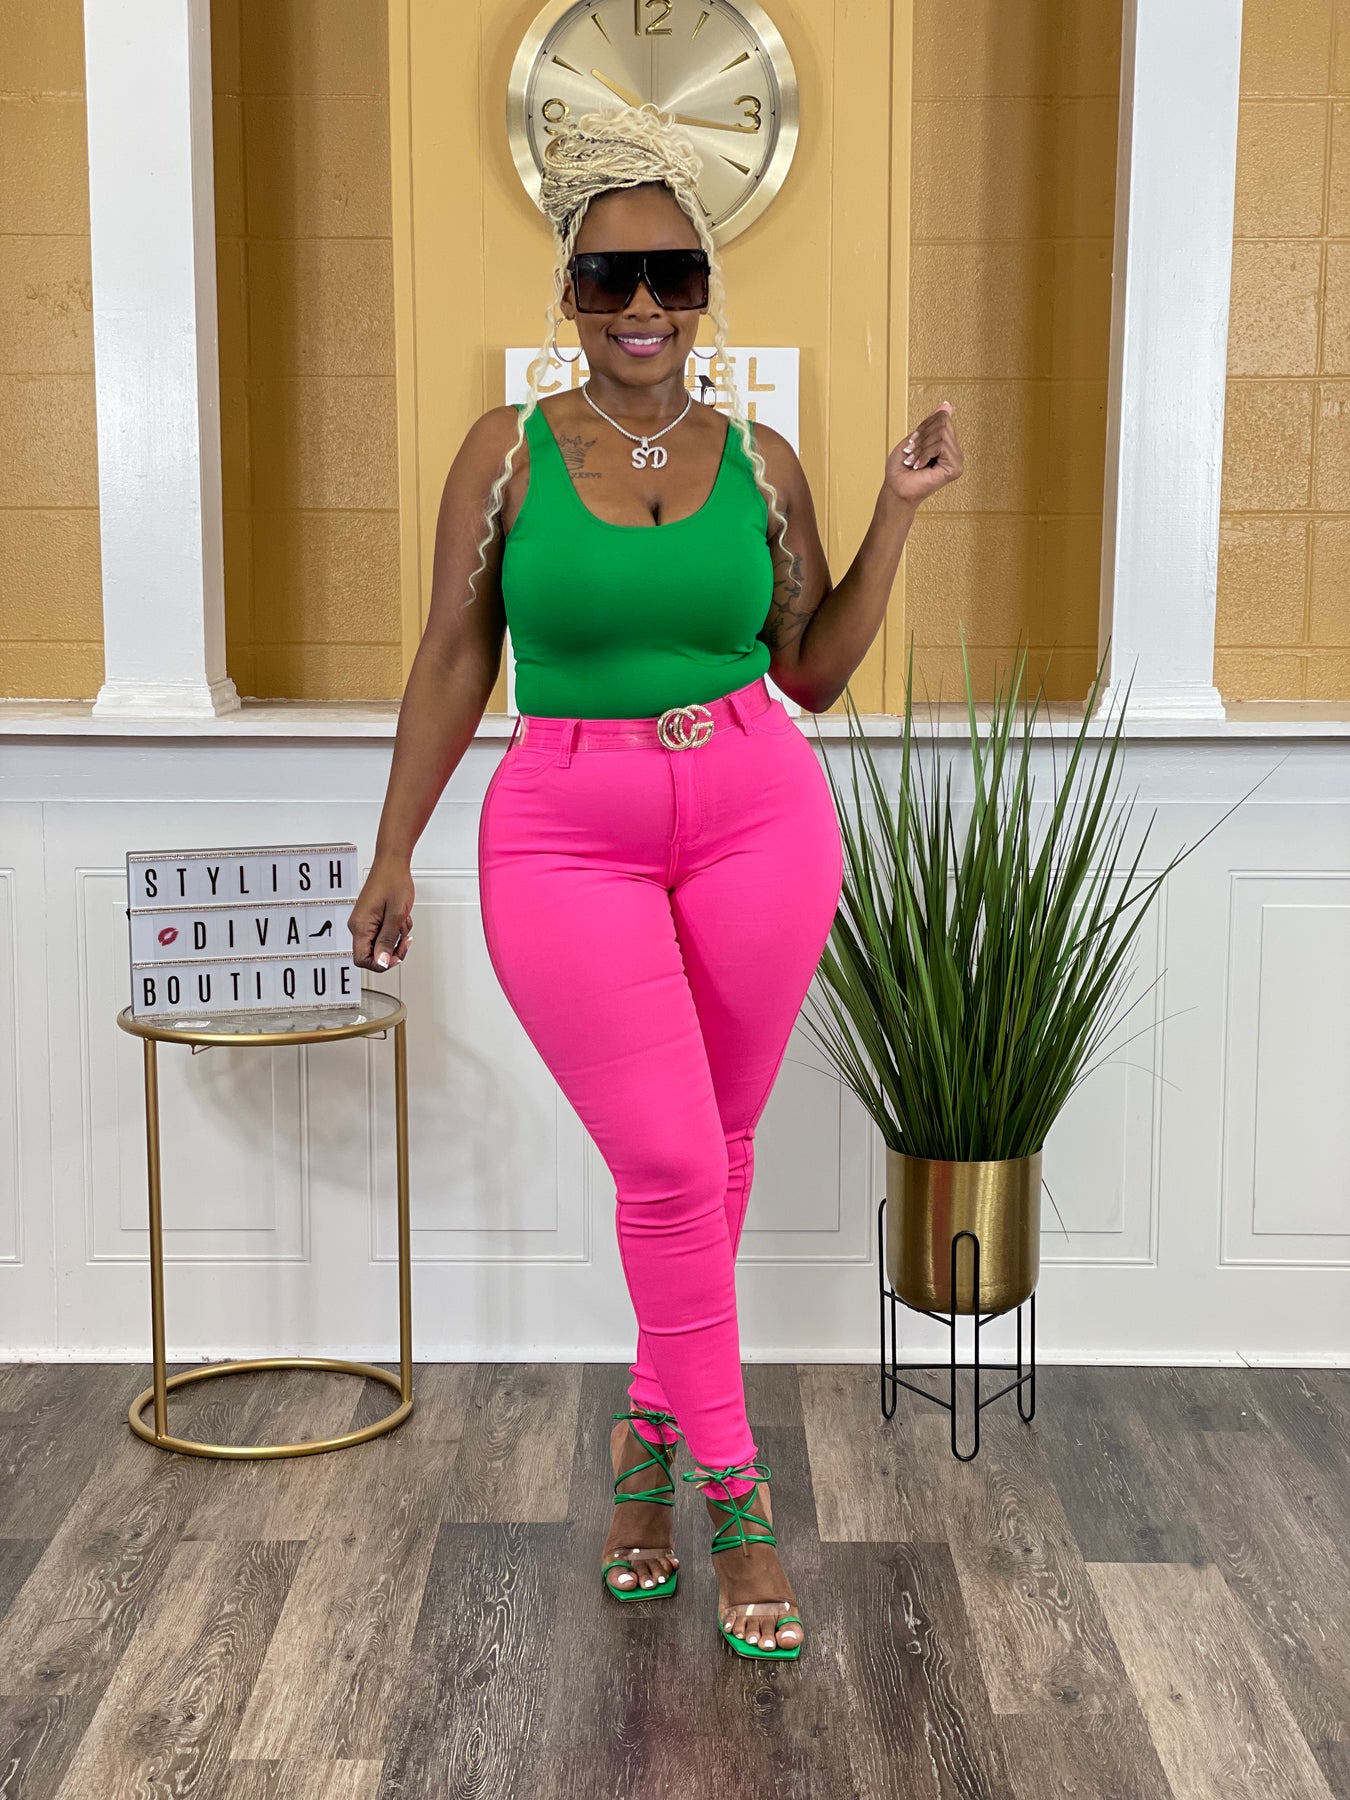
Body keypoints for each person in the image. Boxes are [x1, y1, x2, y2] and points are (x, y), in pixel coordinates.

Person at [348, 102, 963, 1661]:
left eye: (671, 276)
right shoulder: (506, 454)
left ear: (704, 293)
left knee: (714, 1155)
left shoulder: (760, 462)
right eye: (608, 277)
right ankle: (736, 1502)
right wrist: (394, 844)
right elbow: (454, 655)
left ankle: (644, 1447)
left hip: (759, 813)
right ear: (566, 294)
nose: (641, 305)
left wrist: (892, 515)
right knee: (676, 1163)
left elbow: (810, 672)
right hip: (564, 828)